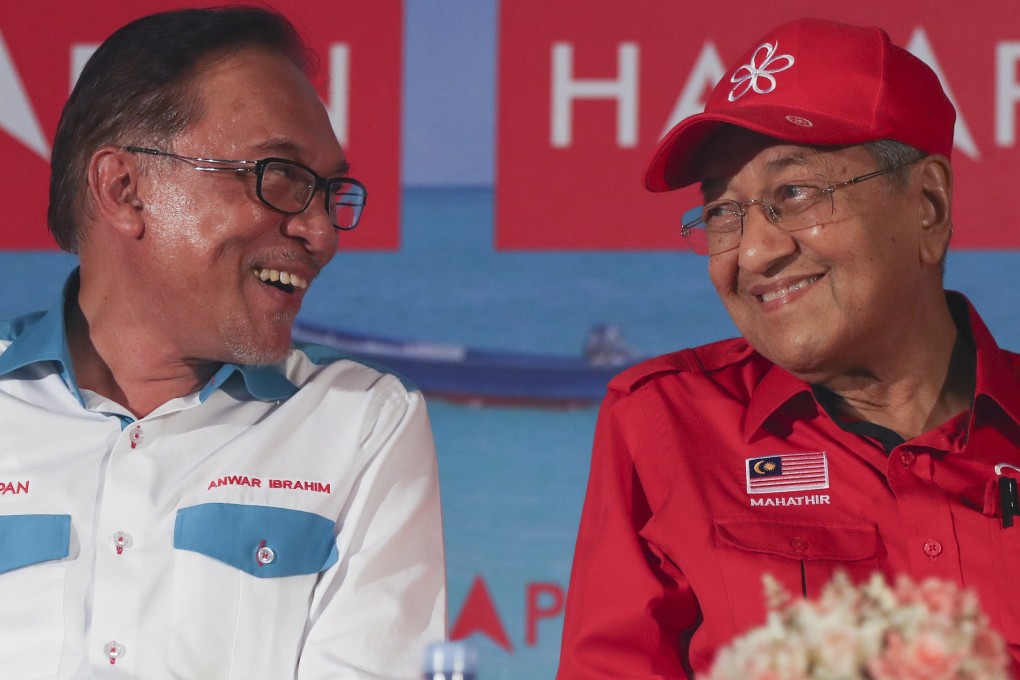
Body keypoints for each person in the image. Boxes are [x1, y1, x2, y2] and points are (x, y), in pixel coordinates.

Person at [557, 17, 1020, 678]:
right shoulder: (664, 424)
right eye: (722, 212)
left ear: (929, 206)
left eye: (794, 194)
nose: (753, 251)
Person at [0, 7, 445, 678]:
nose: (321, 234)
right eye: (281, 177)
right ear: (124, 189)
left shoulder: (359, 422)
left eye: (329, 194)